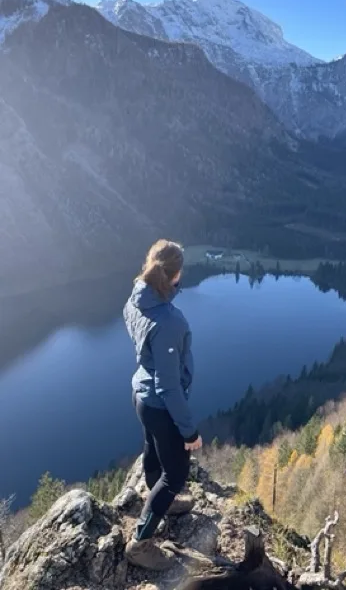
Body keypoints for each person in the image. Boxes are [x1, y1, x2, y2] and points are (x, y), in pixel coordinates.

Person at [123, 239, 203, 570]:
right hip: (159, 403)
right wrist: (190, 432)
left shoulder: (136, 299)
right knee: (177, 472)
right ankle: (140, 543)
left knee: (152, 449)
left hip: (140, 395)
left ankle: (161, 502)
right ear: (175, 275)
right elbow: (169, 387)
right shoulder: (170, 321)